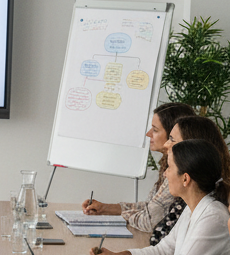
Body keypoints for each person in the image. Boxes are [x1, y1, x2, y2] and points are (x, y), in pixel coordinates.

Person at [91, 139, 230, 255]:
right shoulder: (193, 206)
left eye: (169, 168)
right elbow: (163, 251)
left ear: (185, 178)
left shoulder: (213, 217)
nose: (165, 174)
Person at [82, 102, 194, 239]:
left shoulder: (180, 170)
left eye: (155, 130)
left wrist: (120, 215)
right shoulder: (168, 165)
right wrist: (105, 208)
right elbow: (150, 206)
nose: (148, 134)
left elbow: (148, 220)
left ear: (174, 134)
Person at [150, 115, 230, 245]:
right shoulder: (190, 201)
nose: (166, 144)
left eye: (172, 139)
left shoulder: (211, 210)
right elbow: (164, 248)